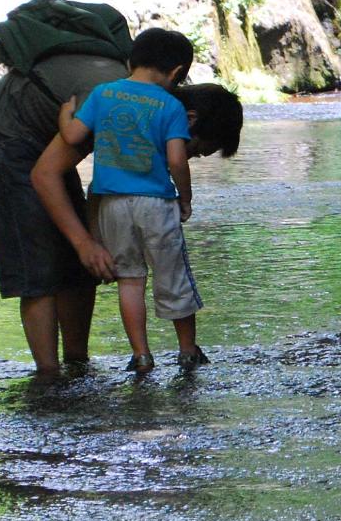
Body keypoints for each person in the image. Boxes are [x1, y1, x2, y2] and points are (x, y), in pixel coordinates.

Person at [0, 18, 242, 381]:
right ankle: (49, 380)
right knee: (40, 259)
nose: (186, 157)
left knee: (86, 261)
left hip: (51, 137)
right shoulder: (118, 105)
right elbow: (43, 174)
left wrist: (87, 241)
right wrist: (84, 241)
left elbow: (94, 185)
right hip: (6, 133)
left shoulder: (142, 101)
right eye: (196, 150)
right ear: (189, 121)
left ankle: (78, 366)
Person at [35, 29, 210, 375]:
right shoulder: (171, 105)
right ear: (176, 73)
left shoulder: (103, 93)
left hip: (111, 205)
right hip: (155, 203)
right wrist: (185, 198)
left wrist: (64, 114)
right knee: (172, 276)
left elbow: (72, 136)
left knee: (130, 279)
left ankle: (142, 355)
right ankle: (187, 350)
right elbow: (177, 160)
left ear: (131, 61)